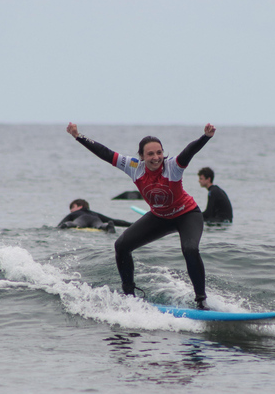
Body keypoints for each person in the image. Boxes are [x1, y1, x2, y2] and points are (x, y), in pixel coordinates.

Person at [67, 122, 216, 310]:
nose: (156, 158)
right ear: (142, 156)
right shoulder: (133, 167)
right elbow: (104, 153)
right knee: (121, 246)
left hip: (187, 214)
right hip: (160, 217)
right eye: (151, 154)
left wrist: (206, 137)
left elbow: (189, 151)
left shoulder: (173, 166)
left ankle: (201, 300)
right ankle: (129, 296)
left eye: (159, 152)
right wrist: (78, 136)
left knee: (190, 249)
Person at [57, 199, 132, 233]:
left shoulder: (74, 213)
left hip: (81, 219)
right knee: (100, 225)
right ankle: (107, 226)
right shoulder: (94, 214)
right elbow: (115, 221)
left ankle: (68, 225)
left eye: (72, 207)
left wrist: (61, 226)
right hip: (95, 219)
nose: (71, 210)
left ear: (80, 206)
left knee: (74, 224)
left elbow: (60, 224)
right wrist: (132, 224)